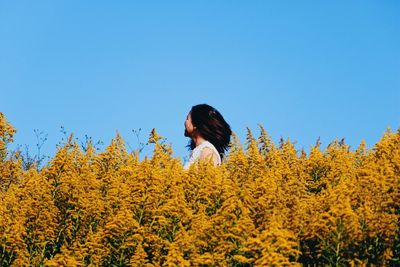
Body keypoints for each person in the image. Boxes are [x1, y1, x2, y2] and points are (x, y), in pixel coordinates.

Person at [183, 104, 232, 169]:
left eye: (187, 119)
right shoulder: (200, 150)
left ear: (195, 125)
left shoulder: (207, 152)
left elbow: (208, 178)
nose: (184, 122)